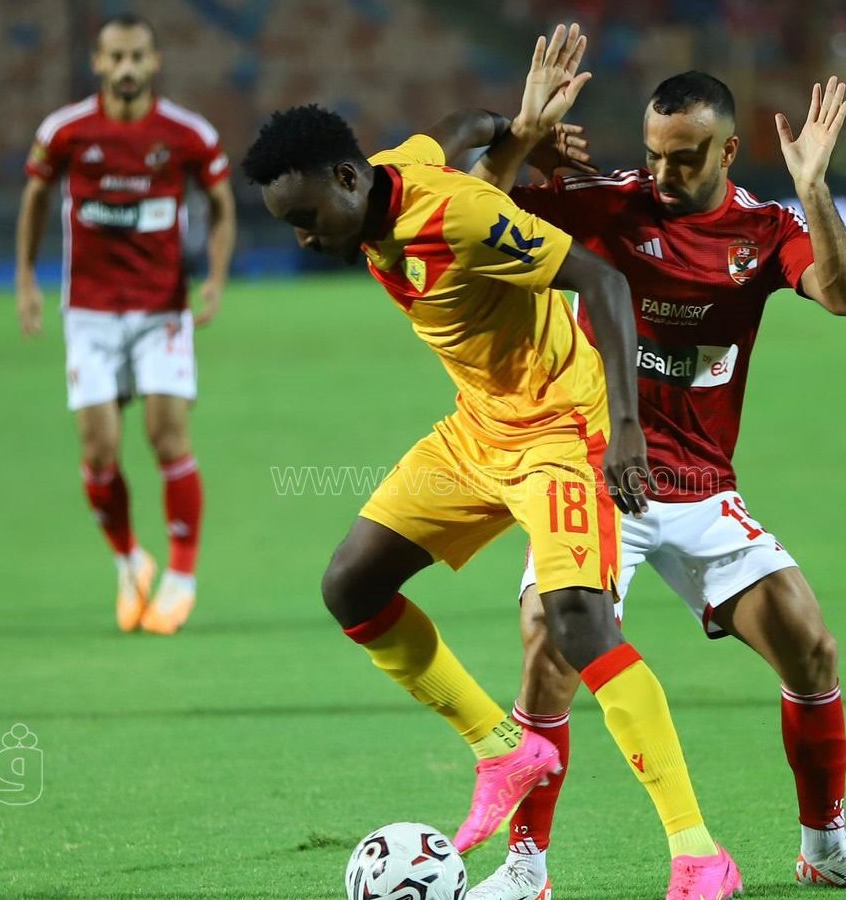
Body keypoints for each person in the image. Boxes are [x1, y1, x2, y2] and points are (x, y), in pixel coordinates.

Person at [240, 24, 741, 900]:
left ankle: (699, 853)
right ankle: (502, 748)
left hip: (560, 431)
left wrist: (627, 429)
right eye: (292, 226)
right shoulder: (393, 170)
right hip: (479, 429)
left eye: (308, 218)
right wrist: (520, 130)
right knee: (351, 586)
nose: (306, 239)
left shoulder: (461, 219)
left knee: (579, 624)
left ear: (348, 180)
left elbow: (605, 283)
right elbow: (461, 125)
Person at [463, 67, 846, 896]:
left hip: (702, 486)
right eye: (654, 155)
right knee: (548, 645)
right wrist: (521, 140)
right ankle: (525, 867)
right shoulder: (608, 205)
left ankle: (825, 849)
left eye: (685, 157)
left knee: (811, 647)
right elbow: (470, 215)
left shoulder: (765, 228)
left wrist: (814, 189)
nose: (664, 174)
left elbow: (845, 297)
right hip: (595, 477)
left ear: (728, 151)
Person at [14, 13, 236, 635]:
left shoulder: (187, 134)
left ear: (155, 61)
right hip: (89, 313)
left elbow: (222, 204)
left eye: (138, 56)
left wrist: (216, 277)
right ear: (98, 63)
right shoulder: (65, 132)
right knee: (98, 453)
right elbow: (35, 197)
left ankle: (181, 577)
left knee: (168, 439)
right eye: (116, 57)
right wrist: (26, 278)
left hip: (161, 310)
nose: (127, 67)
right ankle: (129, 560)